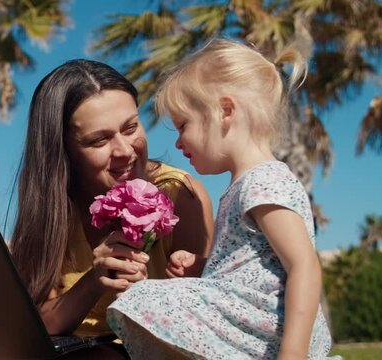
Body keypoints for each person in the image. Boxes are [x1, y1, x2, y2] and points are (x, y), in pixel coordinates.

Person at [107, 39, 338, 359]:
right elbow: (259, 270)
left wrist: (294, 352)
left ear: (225, 111)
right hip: (258, 320)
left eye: (183, 125)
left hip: (275, 331)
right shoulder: (245, 184)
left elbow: (303, 266)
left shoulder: (262, 181)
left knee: (147, 297)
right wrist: (204, 269)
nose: (177, 143)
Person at [9, 59, 215, 358]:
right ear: (64, 150)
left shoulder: (180, 193)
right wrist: (95, 280)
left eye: (131, 127)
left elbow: (198, 328)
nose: (125, 150)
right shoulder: (52, 208)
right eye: (99, 140)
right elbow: (38, 325)